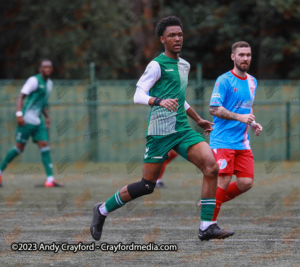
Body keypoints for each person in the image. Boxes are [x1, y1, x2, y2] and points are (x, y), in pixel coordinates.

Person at [91, 16, 234, 241]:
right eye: (171, 35)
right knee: (147, 185)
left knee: (211, 167)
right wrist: (158, 101)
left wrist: (197, 119)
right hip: (159, 132)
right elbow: (138, 95)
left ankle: (207, 226)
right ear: (162, 39)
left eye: (180, 34)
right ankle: (102, 210)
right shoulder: (156, 65)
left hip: (182, 129)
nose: (177, 38)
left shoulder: (184, 65)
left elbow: (179, 98)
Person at [209, 41, 263, 221]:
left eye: (248, 55)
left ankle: (211, 202)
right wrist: (240, 118)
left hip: (242, 142)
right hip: (223, 140)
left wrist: (252, 122)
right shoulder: (224, 80)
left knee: (246, 183)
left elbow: (248, 108)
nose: (245, 58)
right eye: (241, 55)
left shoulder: (253, 81)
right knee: (223, 181)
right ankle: (208, 224)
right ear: (233, 57)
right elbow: (214, 109)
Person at [0, 59, 62, 187]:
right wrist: (19, 114)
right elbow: (21, 97)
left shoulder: (50, 84)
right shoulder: (33, 81)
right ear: (40, 69)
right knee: (19, 148)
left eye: (50, 67)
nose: (48, 69)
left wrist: (47, 117)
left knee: (44, 146)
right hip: (26, 120)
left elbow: (42, 102)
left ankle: (50, 179)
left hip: (38, 121)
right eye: (45, 67)